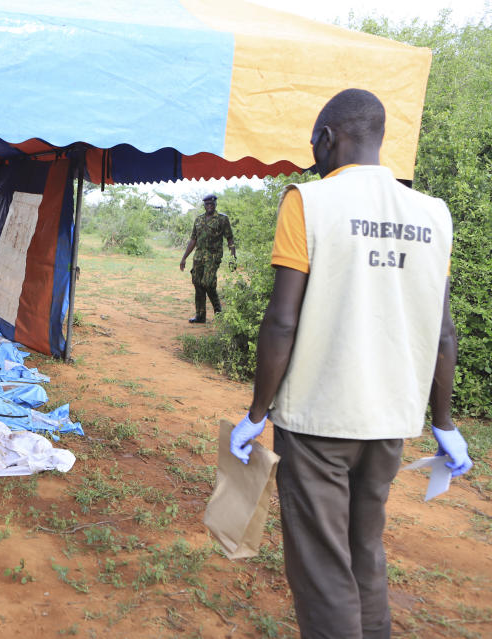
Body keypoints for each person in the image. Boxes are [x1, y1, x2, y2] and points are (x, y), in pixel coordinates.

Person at [229, 89, 473, 639]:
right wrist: (444, 423)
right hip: (390, 423)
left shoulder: (309, 202)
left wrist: (257, 411)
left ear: (329, 137)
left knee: (321, 564)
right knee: (365, 546)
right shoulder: (434, 214)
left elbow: (282, 322)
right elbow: (444, 332)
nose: (313, 154)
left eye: (314, 143)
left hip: (318, 420)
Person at [179, 194, 235, 323]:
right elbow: (193, 239)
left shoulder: (222, 219)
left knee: (208, 283)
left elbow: (230, 238)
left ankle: (218, 312)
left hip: (213, 256)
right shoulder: (199, 220)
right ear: (204, 205)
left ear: (215, 204)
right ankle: (200, 315)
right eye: (207, 204)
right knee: (197, 283)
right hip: (198, 257)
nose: (209, 206)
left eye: (211, 204)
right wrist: (184, 258)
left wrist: (233, 257)